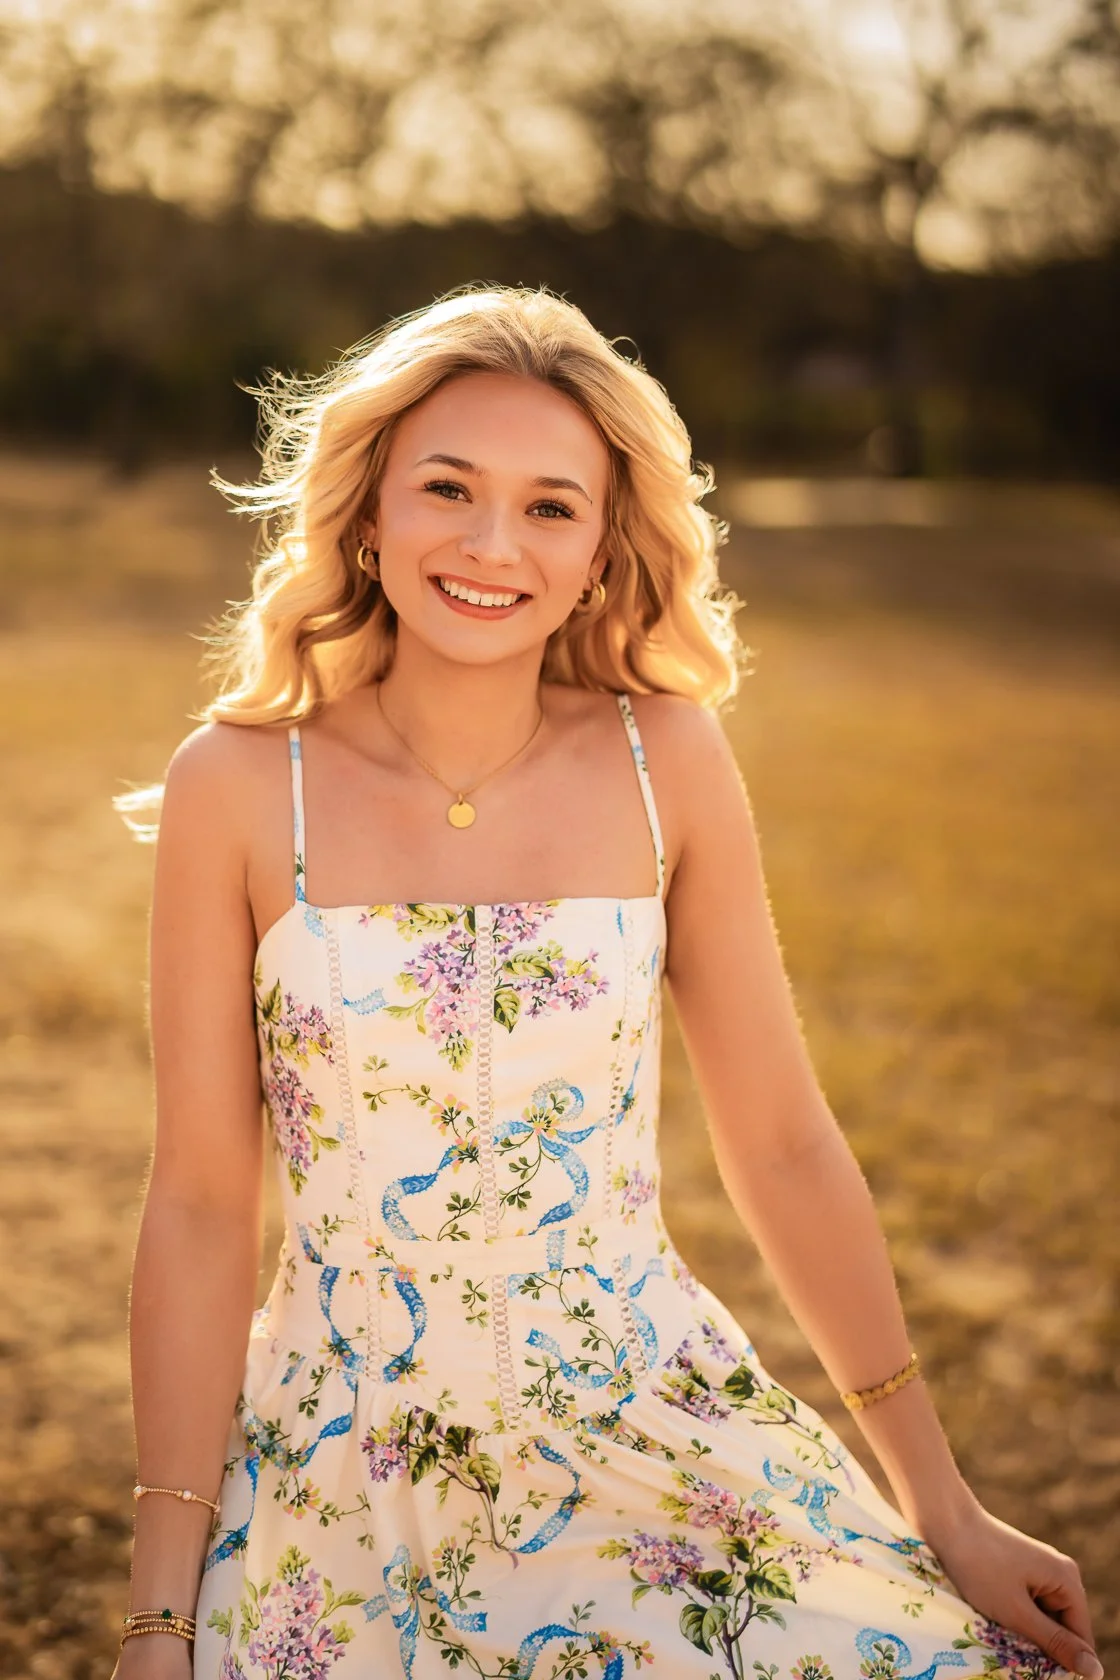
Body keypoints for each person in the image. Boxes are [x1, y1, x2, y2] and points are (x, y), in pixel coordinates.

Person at [111, 286, 1098, 1680]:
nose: (491, 544)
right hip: (349, 1463)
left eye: (551, 508)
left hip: (651, 1424)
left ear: (601, 551)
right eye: (448, 488)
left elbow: (784, 1143)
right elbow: (205, 1203)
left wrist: (941, 1503)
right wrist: (161, 1611)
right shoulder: (236, 786)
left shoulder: (666, 760)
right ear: (371, 509)